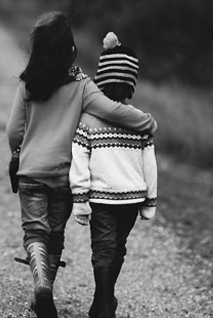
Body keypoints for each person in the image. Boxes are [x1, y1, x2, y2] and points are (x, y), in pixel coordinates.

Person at [5, 13, 157, 318]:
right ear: (70, 50)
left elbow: (13, 131)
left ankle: (42, 288)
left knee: (35, 232)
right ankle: (43, 295)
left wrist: (19, 153)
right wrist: (147, 122)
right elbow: (113, 110)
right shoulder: (82, 86)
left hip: (31, 171)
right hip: (63, 175)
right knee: (55, 236)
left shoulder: (28, 85)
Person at [69, 32, 158, 318]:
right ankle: (103, 302)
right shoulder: (139, 121)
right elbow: (150, 165)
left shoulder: (88, 120)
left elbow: (79, 160)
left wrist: (80, 200)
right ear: (131, 83)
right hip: (131, 199)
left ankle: (104, 303)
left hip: (102, 198)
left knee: (104, 251)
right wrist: (150, 202)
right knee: (117, 249)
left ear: (101, 79)